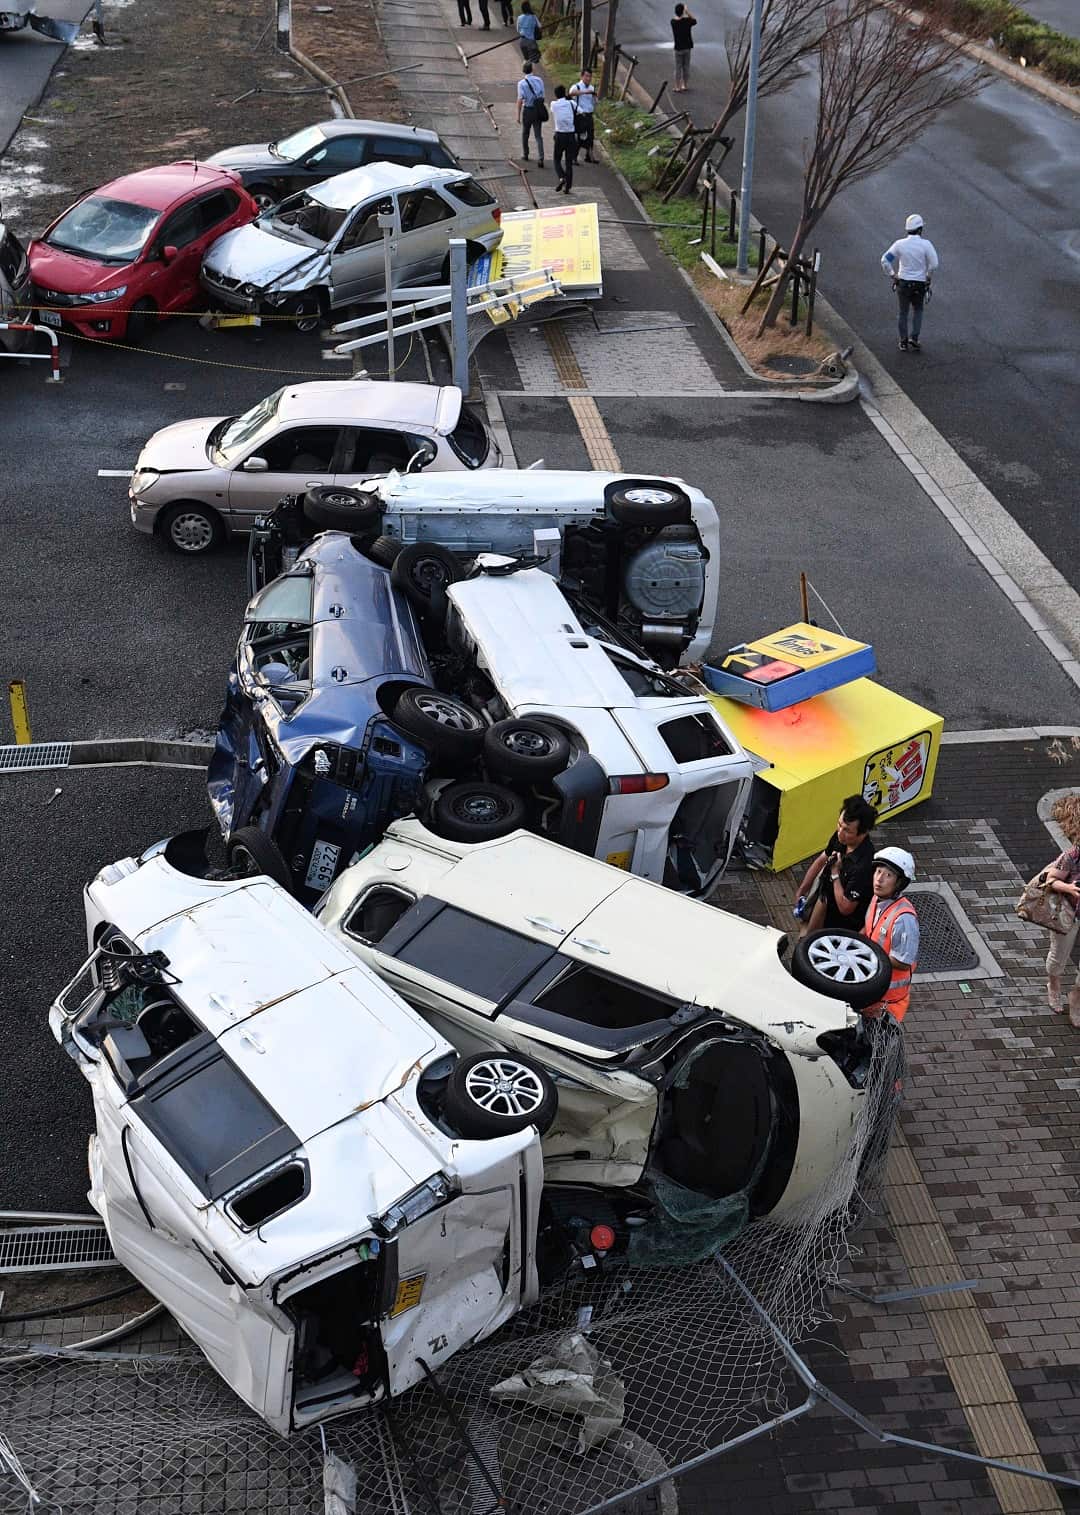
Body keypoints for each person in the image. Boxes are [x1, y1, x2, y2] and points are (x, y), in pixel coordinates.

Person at [793, 794, 878, 936]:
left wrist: (835, 874)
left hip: (842, 924)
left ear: (863, 833)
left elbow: (846, 907)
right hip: (825, 900)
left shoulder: (864, 866)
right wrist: (801, 890)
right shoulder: (840, 838)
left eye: (847, 831)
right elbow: (821, 860)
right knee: (806, 938)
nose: (840, 833)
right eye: (839, 825)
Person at [862, 847, 920, 1022]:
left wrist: (870, 956)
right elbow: (869, 929)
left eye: (888, 875)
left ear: (899, 883)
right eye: (878, 871)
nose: (879, 879)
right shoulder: (876, 899)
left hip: (887, 1005)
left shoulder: (904, 919)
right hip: (871, 990)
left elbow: (903, 961)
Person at [1039, 793, 1080, 1025]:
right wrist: (1070, 888)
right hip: (1069, 913)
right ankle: (1053, 984)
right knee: (1058, 957)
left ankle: (1076, 997)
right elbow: (1050, 880)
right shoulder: (1073, 856)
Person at [880, 214, 939, 353]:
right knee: (918, 310)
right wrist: (928, 276)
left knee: (903, 312)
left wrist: (893, 275)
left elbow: (885, 260)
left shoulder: (899, 244)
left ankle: (903, 341)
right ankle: (915, 338)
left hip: (903, 282)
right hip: (919, 283)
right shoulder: (926, 245)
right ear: (920, 229)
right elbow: (934, 264)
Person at [517, 60, 546, 167]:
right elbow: (542, 96)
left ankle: (526, 154)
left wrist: (518, 115)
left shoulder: (521, 83)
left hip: (528, 110)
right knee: (538, 135)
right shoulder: (539, 80)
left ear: (523, 70)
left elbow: (520, 100)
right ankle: (541, 157)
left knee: (525, 133)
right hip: (537, 110)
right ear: (532, 69)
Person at [551, 84, 577, 194]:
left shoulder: (553, 104)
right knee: (568, 162)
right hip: (571, 135)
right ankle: (568, 187)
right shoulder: (572, 103)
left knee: (556, 159)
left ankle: (562, 177)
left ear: (556, 95)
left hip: (560, 135)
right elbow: (580, 111)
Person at [569, 67, 597, 163]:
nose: (588, 78)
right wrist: (585, 92)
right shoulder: (577, 86)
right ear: (582, 76)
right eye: (586, 76)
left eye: (590, 76)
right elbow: (570, 93)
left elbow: (593, 101)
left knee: (591, 136)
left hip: (589, 115)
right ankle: (574, 157)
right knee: (580, 137)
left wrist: (595, 98)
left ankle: (589, 156)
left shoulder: (592, 88)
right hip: (580, 115)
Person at [670, 4, 696, 93]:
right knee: (686, 67)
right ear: (683, 12)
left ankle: (677, 86)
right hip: (687, 47)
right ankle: (684, 85)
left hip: (678, 48)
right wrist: (687, 12)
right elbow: (694, 20)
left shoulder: (673, 22)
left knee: (678, 68)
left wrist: (681, 12)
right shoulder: (687, 21)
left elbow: (676, 18)